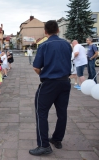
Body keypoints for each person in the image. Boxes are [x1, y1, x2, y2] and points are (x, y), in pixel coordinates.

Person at [30, 20, 72, 156]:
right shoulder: (67, 44)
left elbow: (36, 67)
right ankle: (57, 139)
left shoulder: (44, 45)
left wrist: (43, 74)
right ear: (58, 30)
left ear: (45, 31)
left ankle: (44, 145)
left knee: (41, 112)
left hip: (49, 83)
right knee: (62, 112)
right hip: (65, 82)